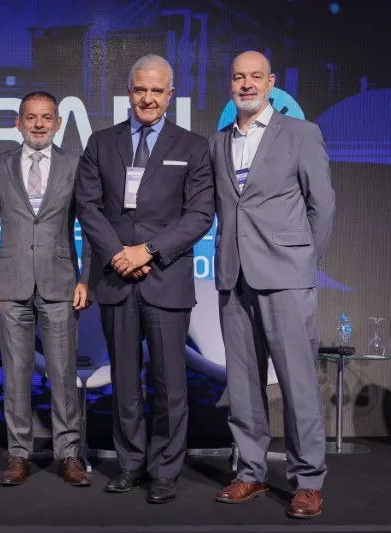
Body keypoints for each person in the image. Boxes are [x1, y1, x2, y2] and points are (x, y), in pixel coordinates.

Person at [75, 54, 214, 503]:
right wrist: (118, 254)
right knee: (125, 381)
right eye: (140, 89)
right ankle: (130, 464)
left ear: (170, 95)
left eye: (157, 90)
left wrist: (148, 251)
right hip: (116, 280)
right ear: (129, 92)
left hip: (166, 280)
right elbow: (88, 207)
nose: (148, 98)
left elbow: (200, 216)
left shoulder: (193, 146)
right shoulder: (101, 143)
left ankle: (165, 470)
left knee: (171, 384)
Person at [210, 50, 335, 519]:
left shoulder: (301, 133)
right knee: (243, 385)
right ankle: (250, 472)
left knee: (298, 383)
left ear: (271, 82)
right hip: (234, 277)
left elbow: (322, 206)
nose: (246, 84)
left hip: (286, 277)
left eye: (255, 77)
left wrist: (303, 262)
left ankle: (308, 481)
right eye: (239, 77)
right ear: (230, 84)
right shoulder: (218, 142)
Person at [0, 91, 92, 487]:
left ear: (58, 123)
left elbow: (91, 224)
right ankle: (19, 454)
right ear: (18, 123)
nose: (38, 124)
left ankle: (68, 454)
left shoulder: (75, 165)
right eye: (31, 117)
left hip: (61, 282)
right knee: (15, 374)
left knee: (62, 374)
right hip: (10, 283)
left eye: (46, 118)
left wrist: (85, 277)